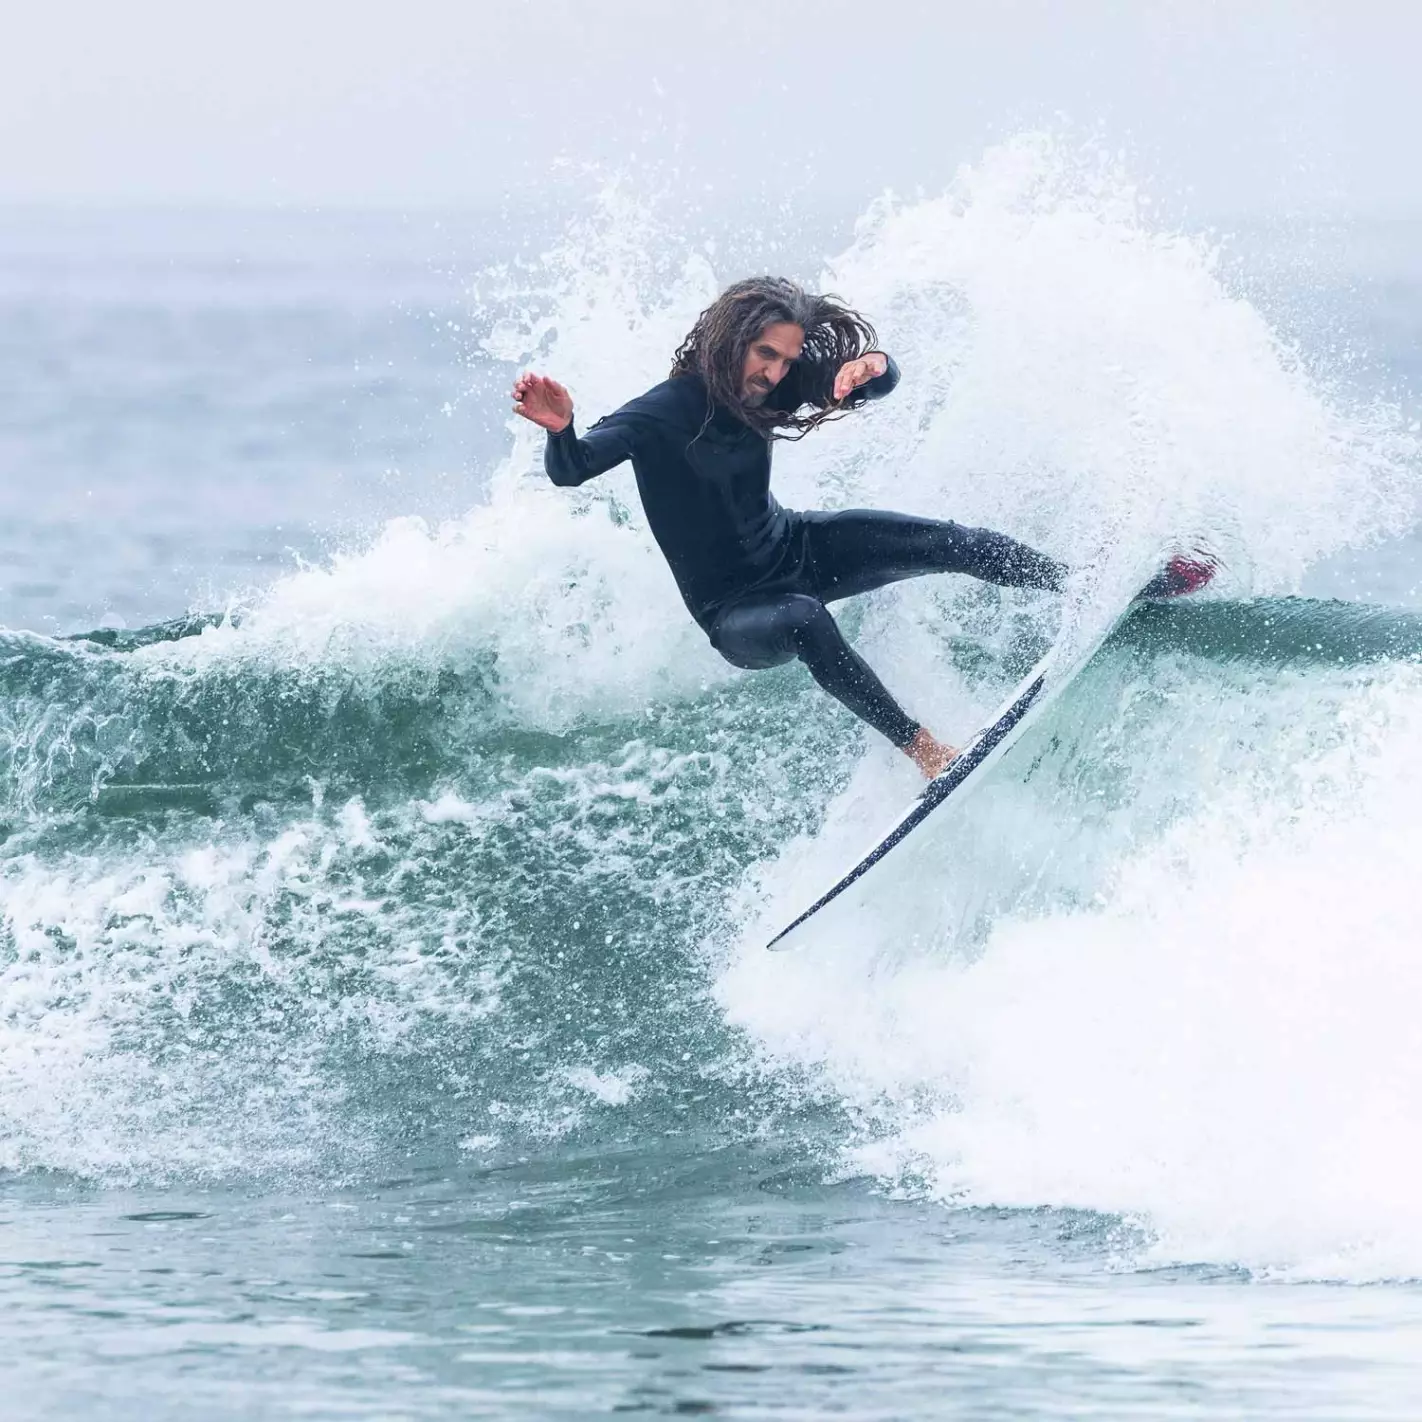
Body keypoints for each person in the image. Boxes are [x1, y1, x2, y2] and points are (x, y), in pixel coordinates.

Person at [512, 276, 1210, 778]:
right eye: (765, 355)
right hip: (737, 612)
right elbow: (573, 468)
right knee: (806, 618)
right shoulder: (661, 411)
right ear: (730, 341)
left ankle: (1098, 585)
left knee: (947, 541)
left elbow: (865, 381)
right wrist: (560, 428)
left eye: (787, 360)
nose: (776, 373)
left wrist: (871, 369)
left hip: (795, 547)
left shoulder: (771, 386)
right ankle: (925, 751)